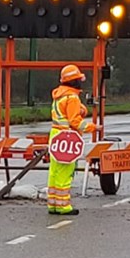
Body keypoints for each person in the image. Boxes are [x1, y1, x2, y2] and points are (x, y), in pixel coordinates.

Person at [47, 64, 96, 215]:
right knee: (65, 171)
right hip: (68, 137)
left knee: (54, 171)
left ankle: (53, 204)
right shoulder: (72, 97)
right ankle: (63, 206)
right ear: (75, 81)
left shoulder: (59, 95)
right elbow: (75, 122)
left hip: (55, 135)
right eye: (79, 79)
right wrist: (93, 127)